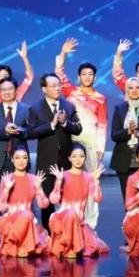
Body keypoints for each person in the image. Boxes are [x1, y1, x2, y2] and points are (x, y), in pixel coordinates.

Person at [54, 38, 109, 228]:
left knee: (92, 181)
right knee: (69, 181)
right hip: (71, 141)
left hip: (91, 144)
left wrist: (100, 148)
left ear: (95, 77)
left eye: (90, 74)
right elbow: (58, 74)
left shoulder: (100, 98)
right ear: (78, 77)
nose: (87, 77)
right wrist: (63, 53)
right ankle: (68, 219)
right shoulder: (71, 92)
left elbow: (103, 124)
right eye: (84, 74)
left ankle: (90, 223)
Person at [27, 73, 82, 230]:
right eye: (53, 86)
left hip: (67, 162)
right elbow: (30, 133)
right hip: (46, 162)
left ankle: (69, 233)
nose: (58, 88)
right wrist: (51, 125)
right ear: (44, 89)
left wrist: (65, 123)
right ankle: (49, 235)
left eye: (59, 85)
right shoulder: (35, 108)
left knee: (68, 201)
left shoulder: (69, 106)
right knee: (47, 204)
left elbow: (78, 128)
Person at [0, 77, 33, 241]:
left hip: (19, 160)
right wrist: (4, 132)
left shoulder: (26, 109)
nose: (7, 92)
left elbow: (32, 131)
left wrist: (19, 130)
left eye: (10, 89)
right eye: (3, 89)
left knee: (18, 197)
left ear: (16, 90)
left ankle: (19, 234)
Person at [47, 144, 109, 258]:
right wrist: (58, 182)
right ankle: (68, 246)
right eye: (74, 156)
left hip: (80, 223)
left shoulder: (88, 177)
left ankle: (74, 244)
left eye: (81, 156)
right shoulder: (63, 175)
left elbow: (97, 199)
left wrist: (96, 181)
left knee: (94, 248)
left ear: (85, 158)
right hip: (62, 221)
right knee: (71, 214)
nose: (78, 159)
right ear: (69, 158)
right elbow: (53, 200)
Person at [0, 148, 50, 257]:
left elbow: (43, 205)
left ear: (28, 160)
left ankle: (20, 246)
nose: (21, 161)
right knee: (25, 215)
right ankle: (15, 244)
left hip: (28, 220)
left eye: (24, 158)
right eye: (17, 158)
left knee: (50, 246)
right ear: (12, 159)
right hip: (9, 221)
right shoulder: (7, 178)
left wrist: (39, 189)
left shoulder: (34, 179)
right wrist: (6, 190)